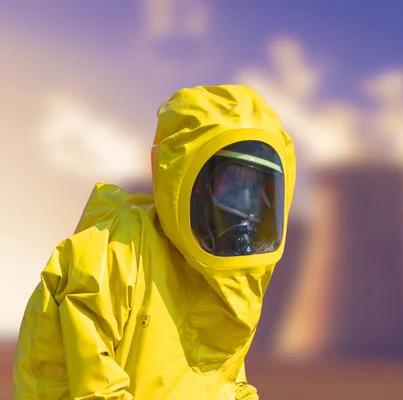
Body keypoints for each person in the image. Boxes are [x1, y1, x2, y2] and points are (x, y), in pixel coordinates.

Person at [13, 85, 296, 399]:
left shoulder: (228, 285)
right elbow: (95, 387)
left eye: (256, 190)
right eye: (232, 183)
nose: (245, 207)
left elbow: (225, 383)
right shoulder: (112, 254)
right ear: (193, 180)